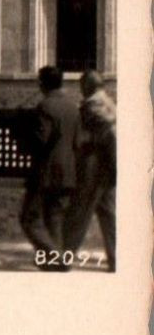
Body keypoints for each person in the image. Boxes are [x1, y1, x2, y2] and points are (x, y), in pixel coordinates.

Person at [19, 65, 78, 262]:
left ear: (42, 83)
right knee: (54, 218)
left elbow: (40, 140)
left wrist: (22, 130)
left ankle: (56, 257)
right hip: (69, 171)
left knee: (29, 218)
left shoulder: (45, 107)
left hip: (46, 172)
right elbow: (78, 141)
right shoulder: (73, 106)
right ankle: (52, 262)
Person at [64, 70, 115, 269]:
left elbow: (106, 134)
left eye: (82, 86)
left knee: (78, 214)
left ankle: (63, 257)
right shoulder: (109, 103)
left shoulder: (93, 106)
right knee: (108, 215)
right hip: (107, 169)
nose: (80, 90)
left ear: (88, 86)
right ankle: (116, 259)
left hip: (93, 169)